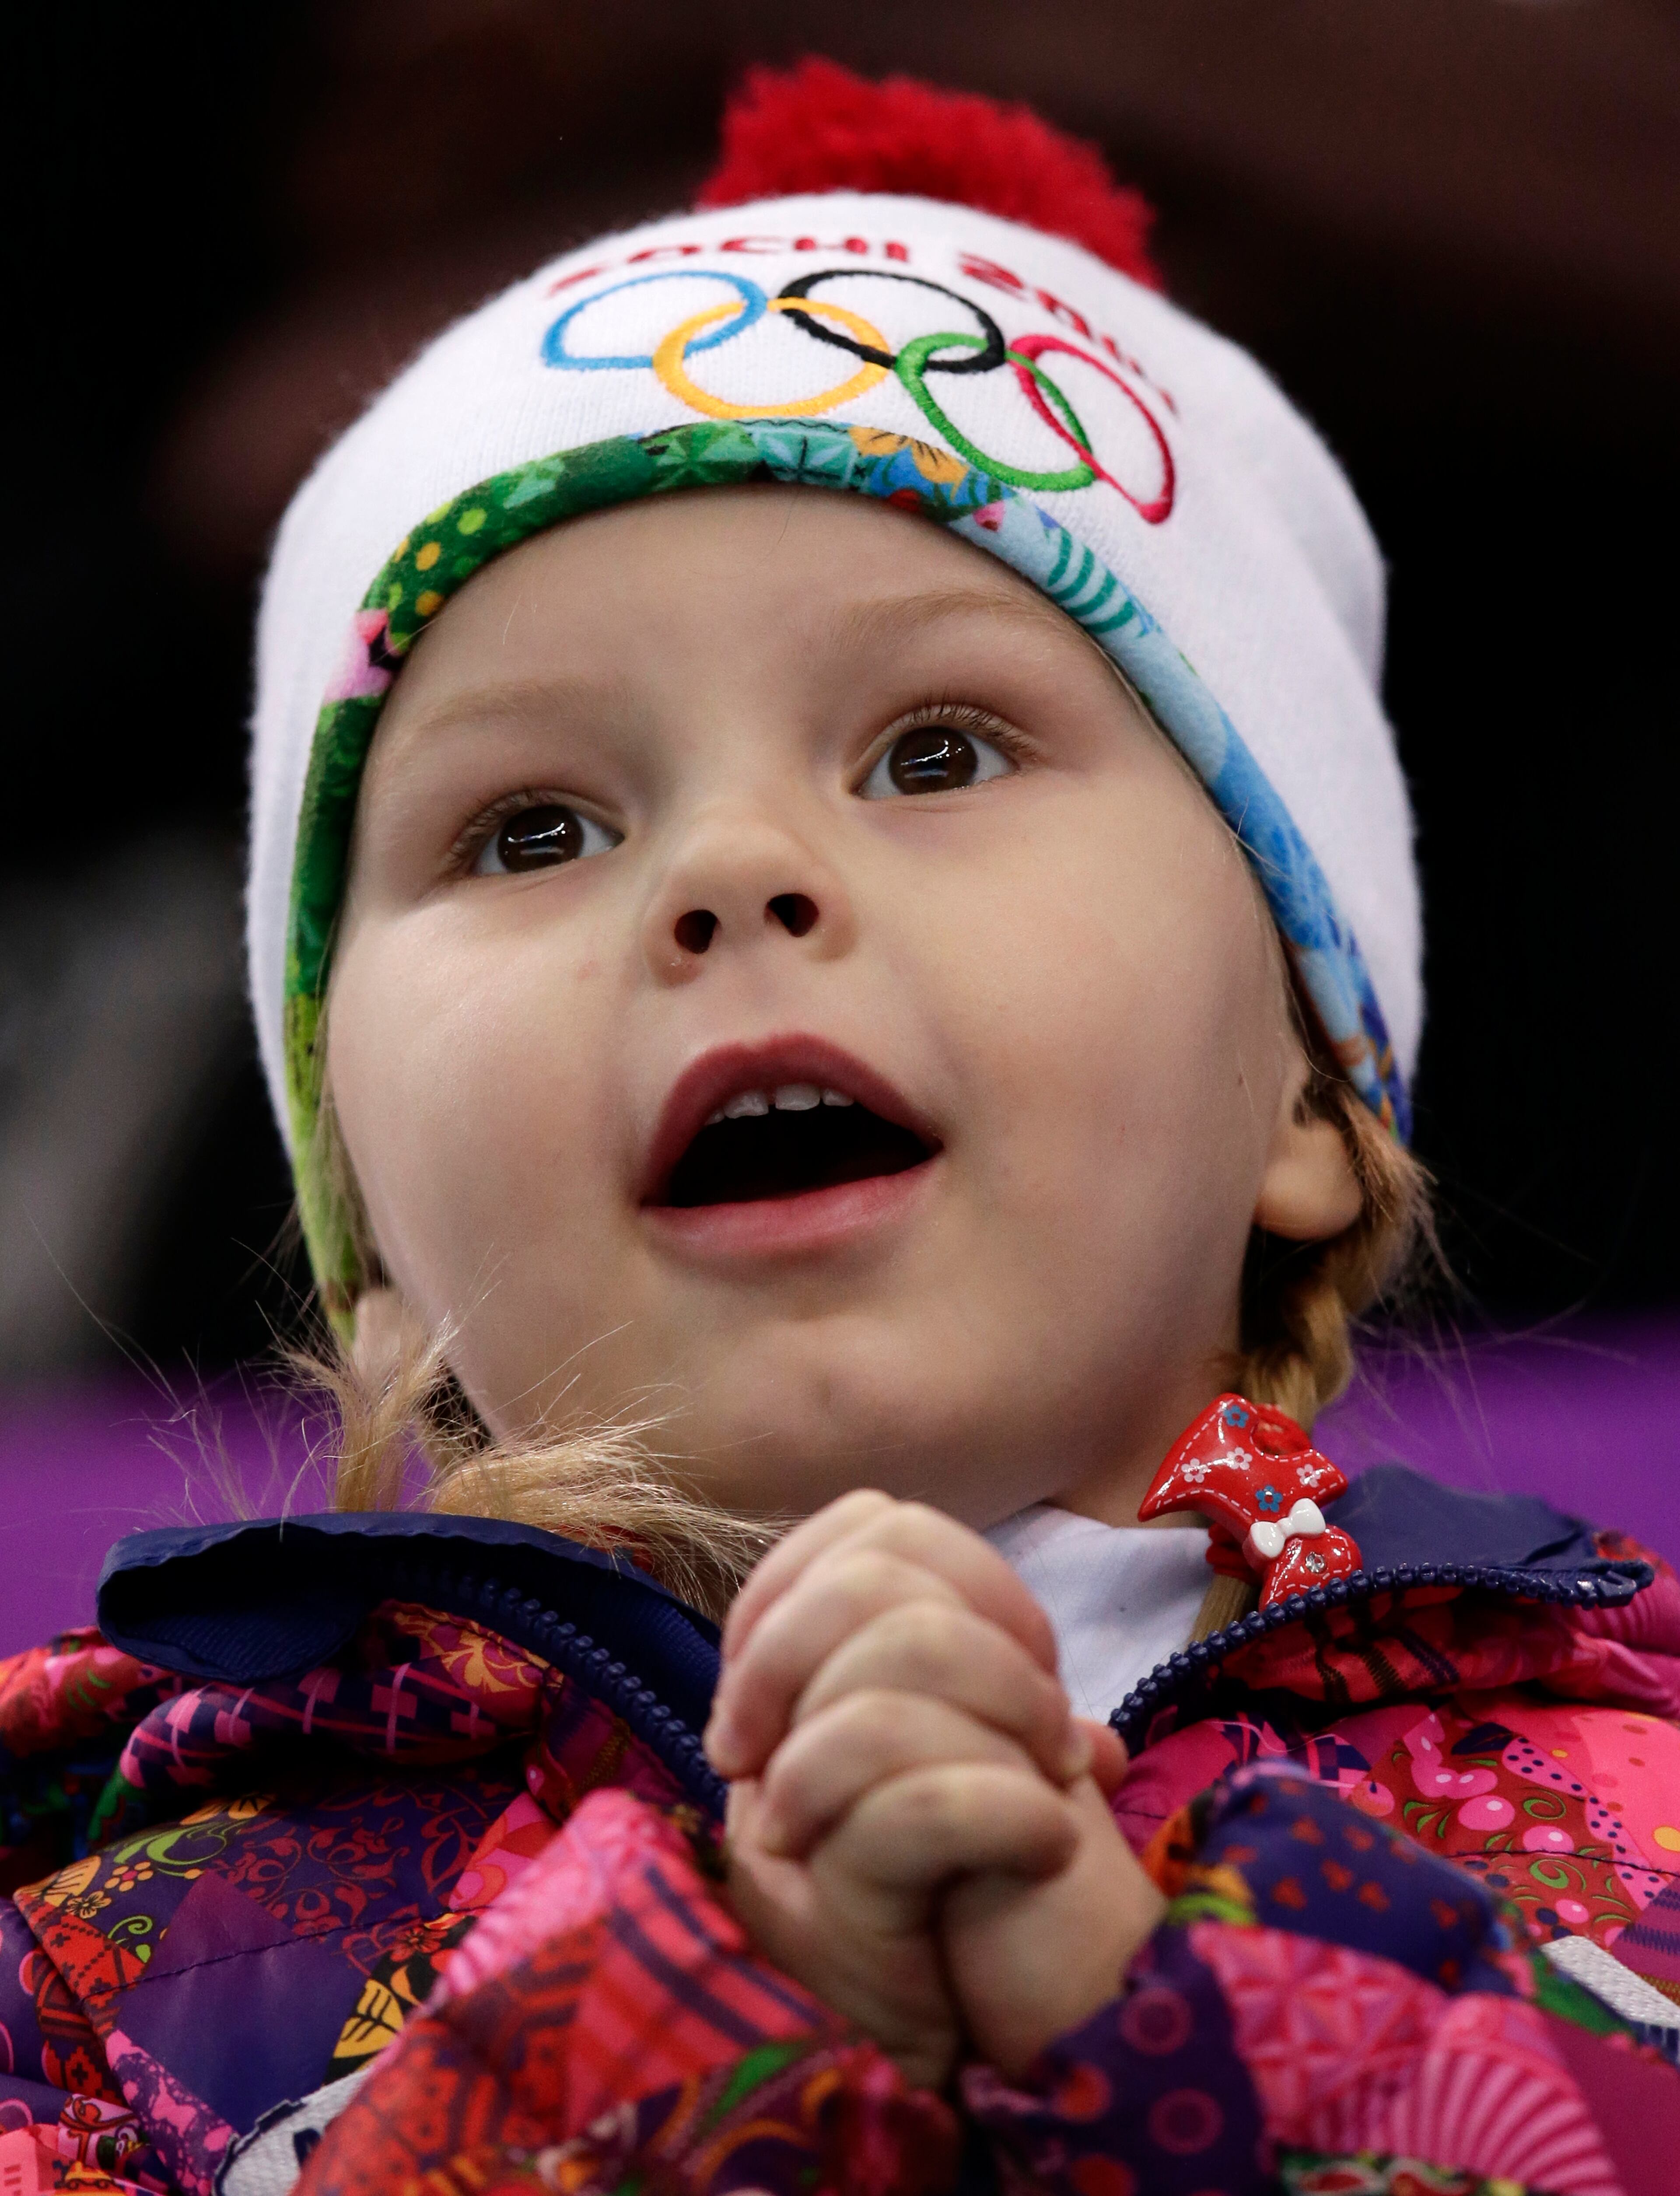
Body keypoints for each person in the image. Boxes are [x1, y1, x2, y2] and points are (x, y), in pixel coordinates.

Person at [4, 58, 1678, 2196]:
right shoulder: (111, 1916)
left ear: (1308, 1095)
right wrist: (709, 2038)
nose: (729, 873)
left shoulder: (1616, 1799)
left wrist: (1144, 2035)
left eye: (938, 750)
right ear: (375, 1221)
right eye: (533, 826)